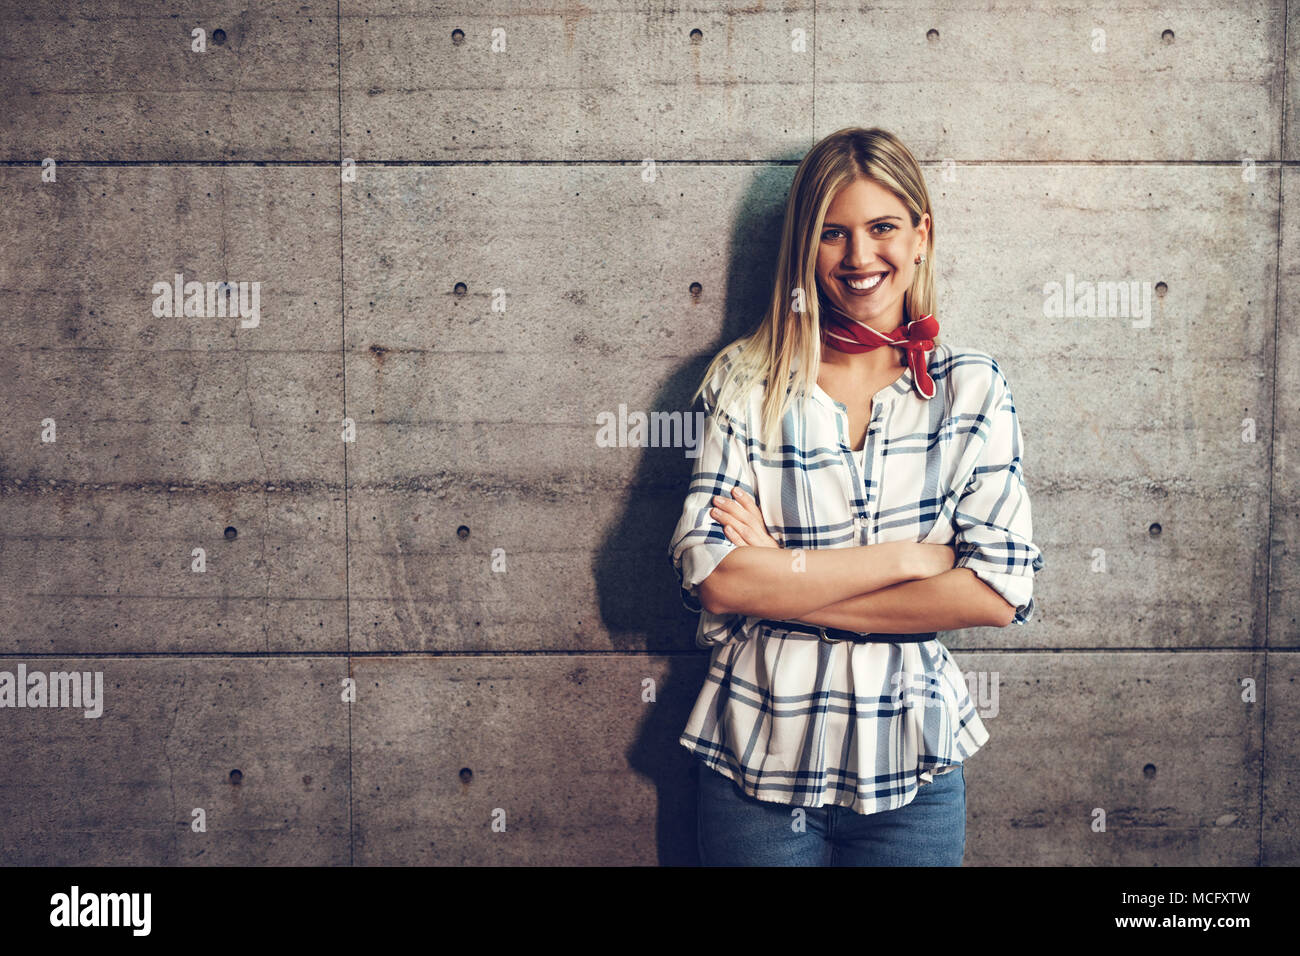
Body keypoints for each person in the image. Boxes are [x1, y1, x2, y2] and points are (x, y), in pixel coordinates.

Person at [668, 127, 1045, 866]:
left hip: (915, 777)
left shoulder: (973, 389)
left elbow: (998, 592)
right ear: (805, 248)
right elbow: (713, 578)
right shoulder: (747, 382)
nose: (860, 257)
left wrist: (783, 579)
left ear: (921, 236)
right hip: (756, 766)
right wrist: (913, 559)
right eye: (833, 234)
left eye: (882, 228)